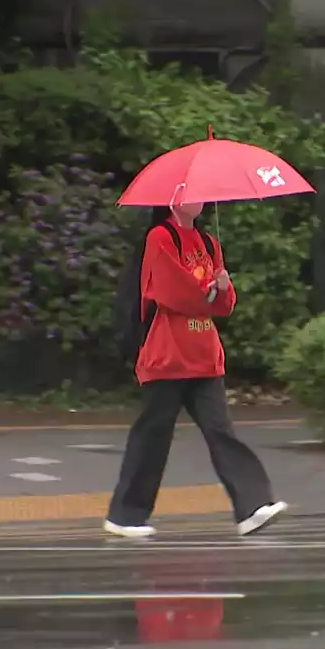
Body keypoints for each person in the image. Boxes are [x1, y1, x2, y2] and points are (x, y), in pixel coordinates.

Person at [105, 201, 287, 538]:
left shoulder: (208, 243)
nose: (199, 199)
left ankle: (252, 506)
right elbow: (171, 294)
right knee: (153, 437)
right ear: (172, 199)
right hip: (168, 355)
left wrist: (222, 287)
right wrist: (209, 290)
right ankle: (125, 515)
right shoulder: (160, 238)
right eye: (190, 191)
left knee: (221, 431)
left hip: (204, 356)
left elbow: (224, 305)